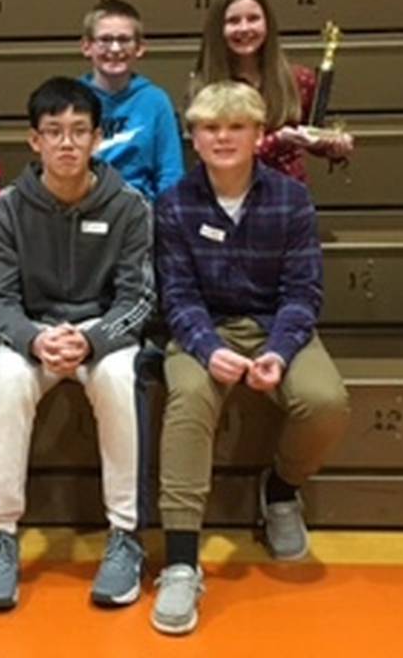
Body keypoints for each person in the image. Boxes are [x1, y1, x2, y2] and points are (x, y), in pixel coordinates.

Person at [151, 82, 349, 635]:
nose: (222, 137)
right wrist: (209, 348)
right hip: (204, 330)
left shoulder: (290, 199)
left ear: (259, 136)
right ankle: (182, 561)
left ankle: (281, 490)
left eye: (236, 126)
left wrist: (280, 355)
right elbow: (178, 295)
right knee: (188, 398)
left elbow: (303, 292)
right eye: (210, 128)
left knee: (326, 401)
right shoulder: (174, 204)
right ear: (194, 137)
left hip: (275, 327)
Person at [0, 77, 155, 611]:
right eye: (54, 132)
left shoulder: (130, 206)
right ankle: (1, 533)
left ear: (99, 137)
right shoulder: (5, 209)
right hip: (34, 333)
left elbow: (140, 297)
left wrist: (93, 340)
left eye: (79, 131)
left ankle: (124, 534)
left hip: (101, 334)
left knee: (121, 381)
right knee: (7, 381)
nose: (67, 143)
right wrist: (34, 340)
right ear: (35, 141)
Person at [192, 0, 352, 183]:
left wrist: (334, 146)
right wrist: (277, 141)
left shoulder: (298, 81)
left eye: (253, 19)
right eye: (233, 21)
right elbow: (218, 154)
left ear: (267, 23)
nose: (244, 28)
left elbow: (311, 136)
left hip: (286, 202)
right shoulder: (204, 87)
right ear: (218, 29)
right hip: (227, 198)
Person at [78, 0, 184, 201]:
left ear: (140, 47)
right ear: (86, 47)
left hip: (139, 213)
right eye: (105, 40)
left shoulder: (156, 101)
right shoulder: (71, 98)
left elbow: (170, 175)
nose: (116, 49)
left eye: (124, 40)